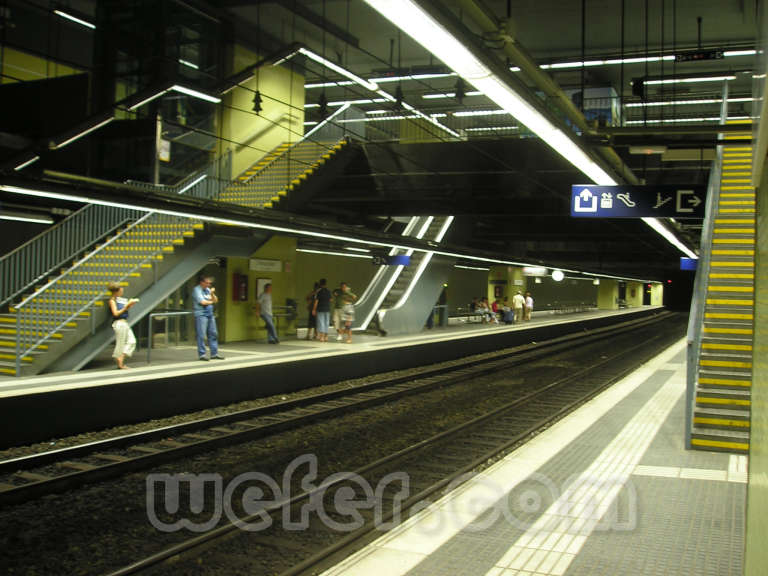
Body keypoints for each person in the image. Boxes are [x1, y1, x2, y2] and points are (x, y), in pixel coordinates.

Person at [107, 282, 138, 369]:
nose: (122, 292)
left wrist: (129, 305)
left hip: (124, 322)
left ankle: (120, 358)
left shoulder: (120, 300)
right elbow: (115, 313)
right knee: (120, 343)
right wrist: (126, 307)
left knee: (132, 341)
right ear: (116, 291)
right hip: (119, 323)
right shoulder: (112, 301)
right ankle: (120, 363)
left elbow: (124, 310)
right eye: (120, 291)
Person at [193, 274, 224, 360]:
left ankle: (214, 354)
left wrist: (212, 293)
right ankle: (202, 355)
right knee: (201, 335)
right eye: (207, 283)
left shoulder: (207, 290)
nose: (209, 285)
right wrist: (211, 302)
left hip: (210, 314)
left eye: (210, 283)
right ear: (201, 282)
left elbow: (216, 300)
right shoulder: (197, 290)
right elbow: (202, 302)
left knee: (213, 334)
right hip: (201, 315)